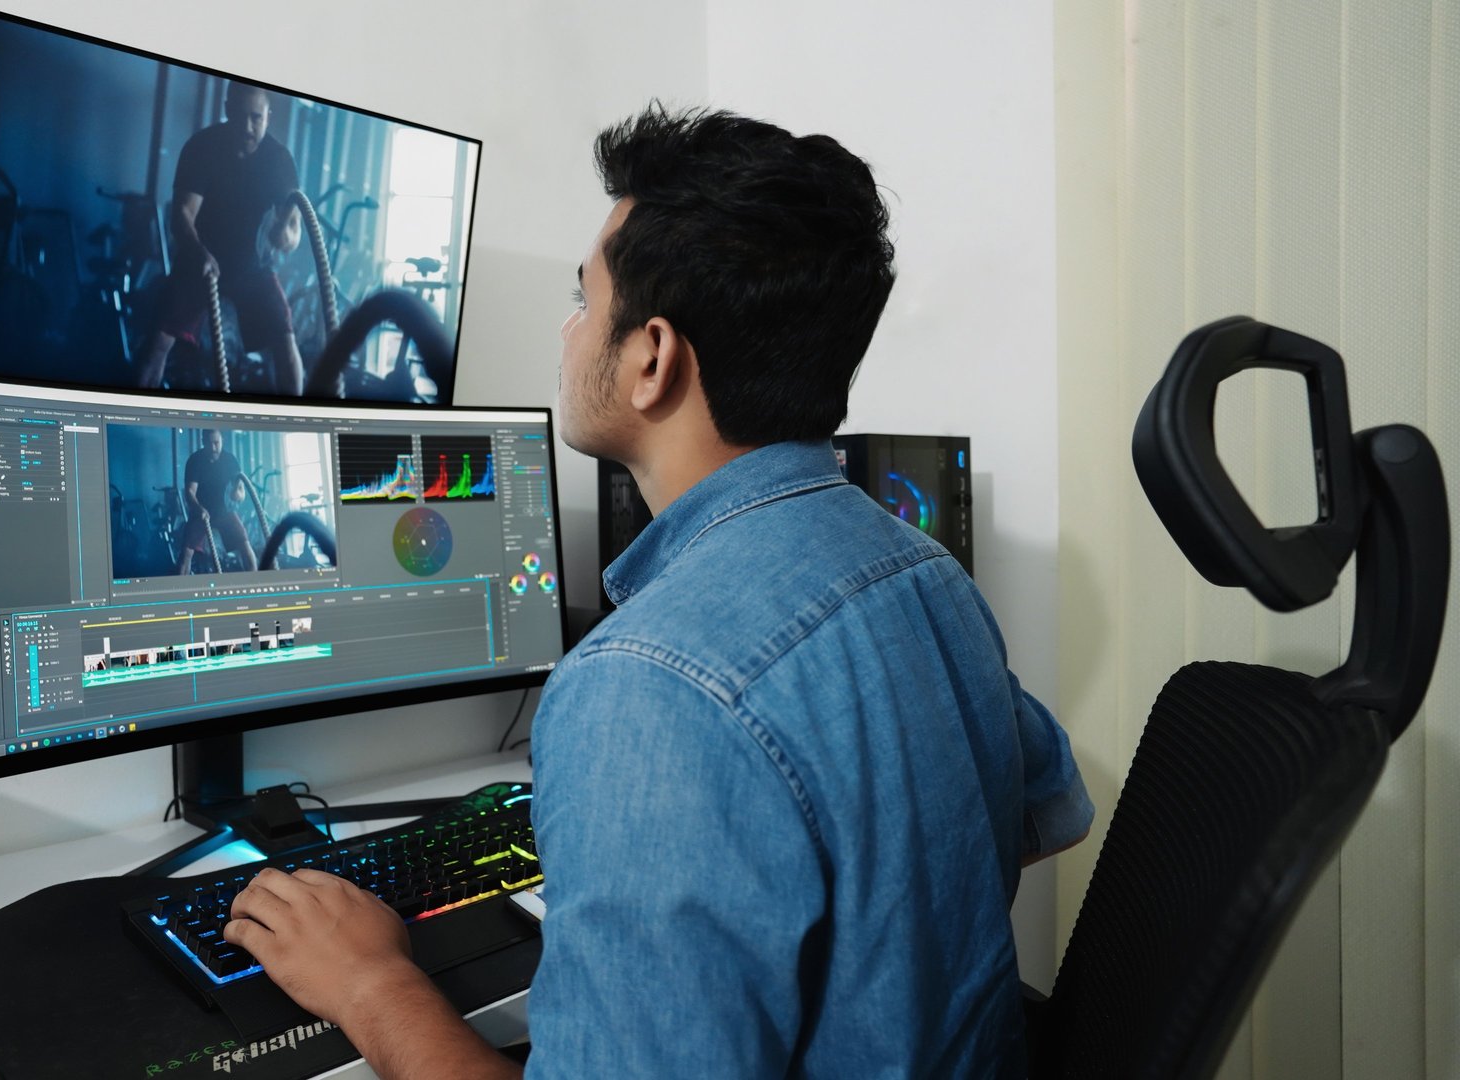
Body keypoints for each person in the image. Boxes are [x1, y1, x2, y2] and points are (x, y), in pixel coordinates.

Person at [219, 105, 1094, 1078]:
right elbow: (1049, 810)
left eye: (583, 299)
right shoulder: (925, 571)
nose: (568, 331)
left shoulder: (644, 685)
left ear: (652, 357)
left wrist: (368, 980)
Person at [136, 82, 305, 394]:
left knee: (286, 343)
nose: (248, 126)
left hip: (252, 269)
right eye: (240, 115)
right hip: (199, 262)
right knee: (157, 344)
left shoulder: (280, 161)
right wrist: (197, 251)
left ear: (268, 116)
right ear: (227, 110)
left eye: (256, 117)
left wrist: (286, 237)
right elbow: (182, 214)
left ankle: (296, 419)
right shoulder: (202, 148)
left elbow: (294, 230)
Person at [179, 430, 258, 574]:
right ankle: (179, 586)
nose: (213, 448)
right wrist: (199, 509)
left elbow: (241, 489)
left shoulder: (230, 460)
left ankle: (254, 582)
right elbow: (190, 492)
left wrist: (238, 495)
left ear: (222, 441)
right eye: (209, 443)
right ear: (203, 442)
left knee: (244, 544)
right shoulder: (195, 461)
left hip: (224, 512)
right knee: (186, 554)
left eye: (216, 443)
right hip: (200, 513)